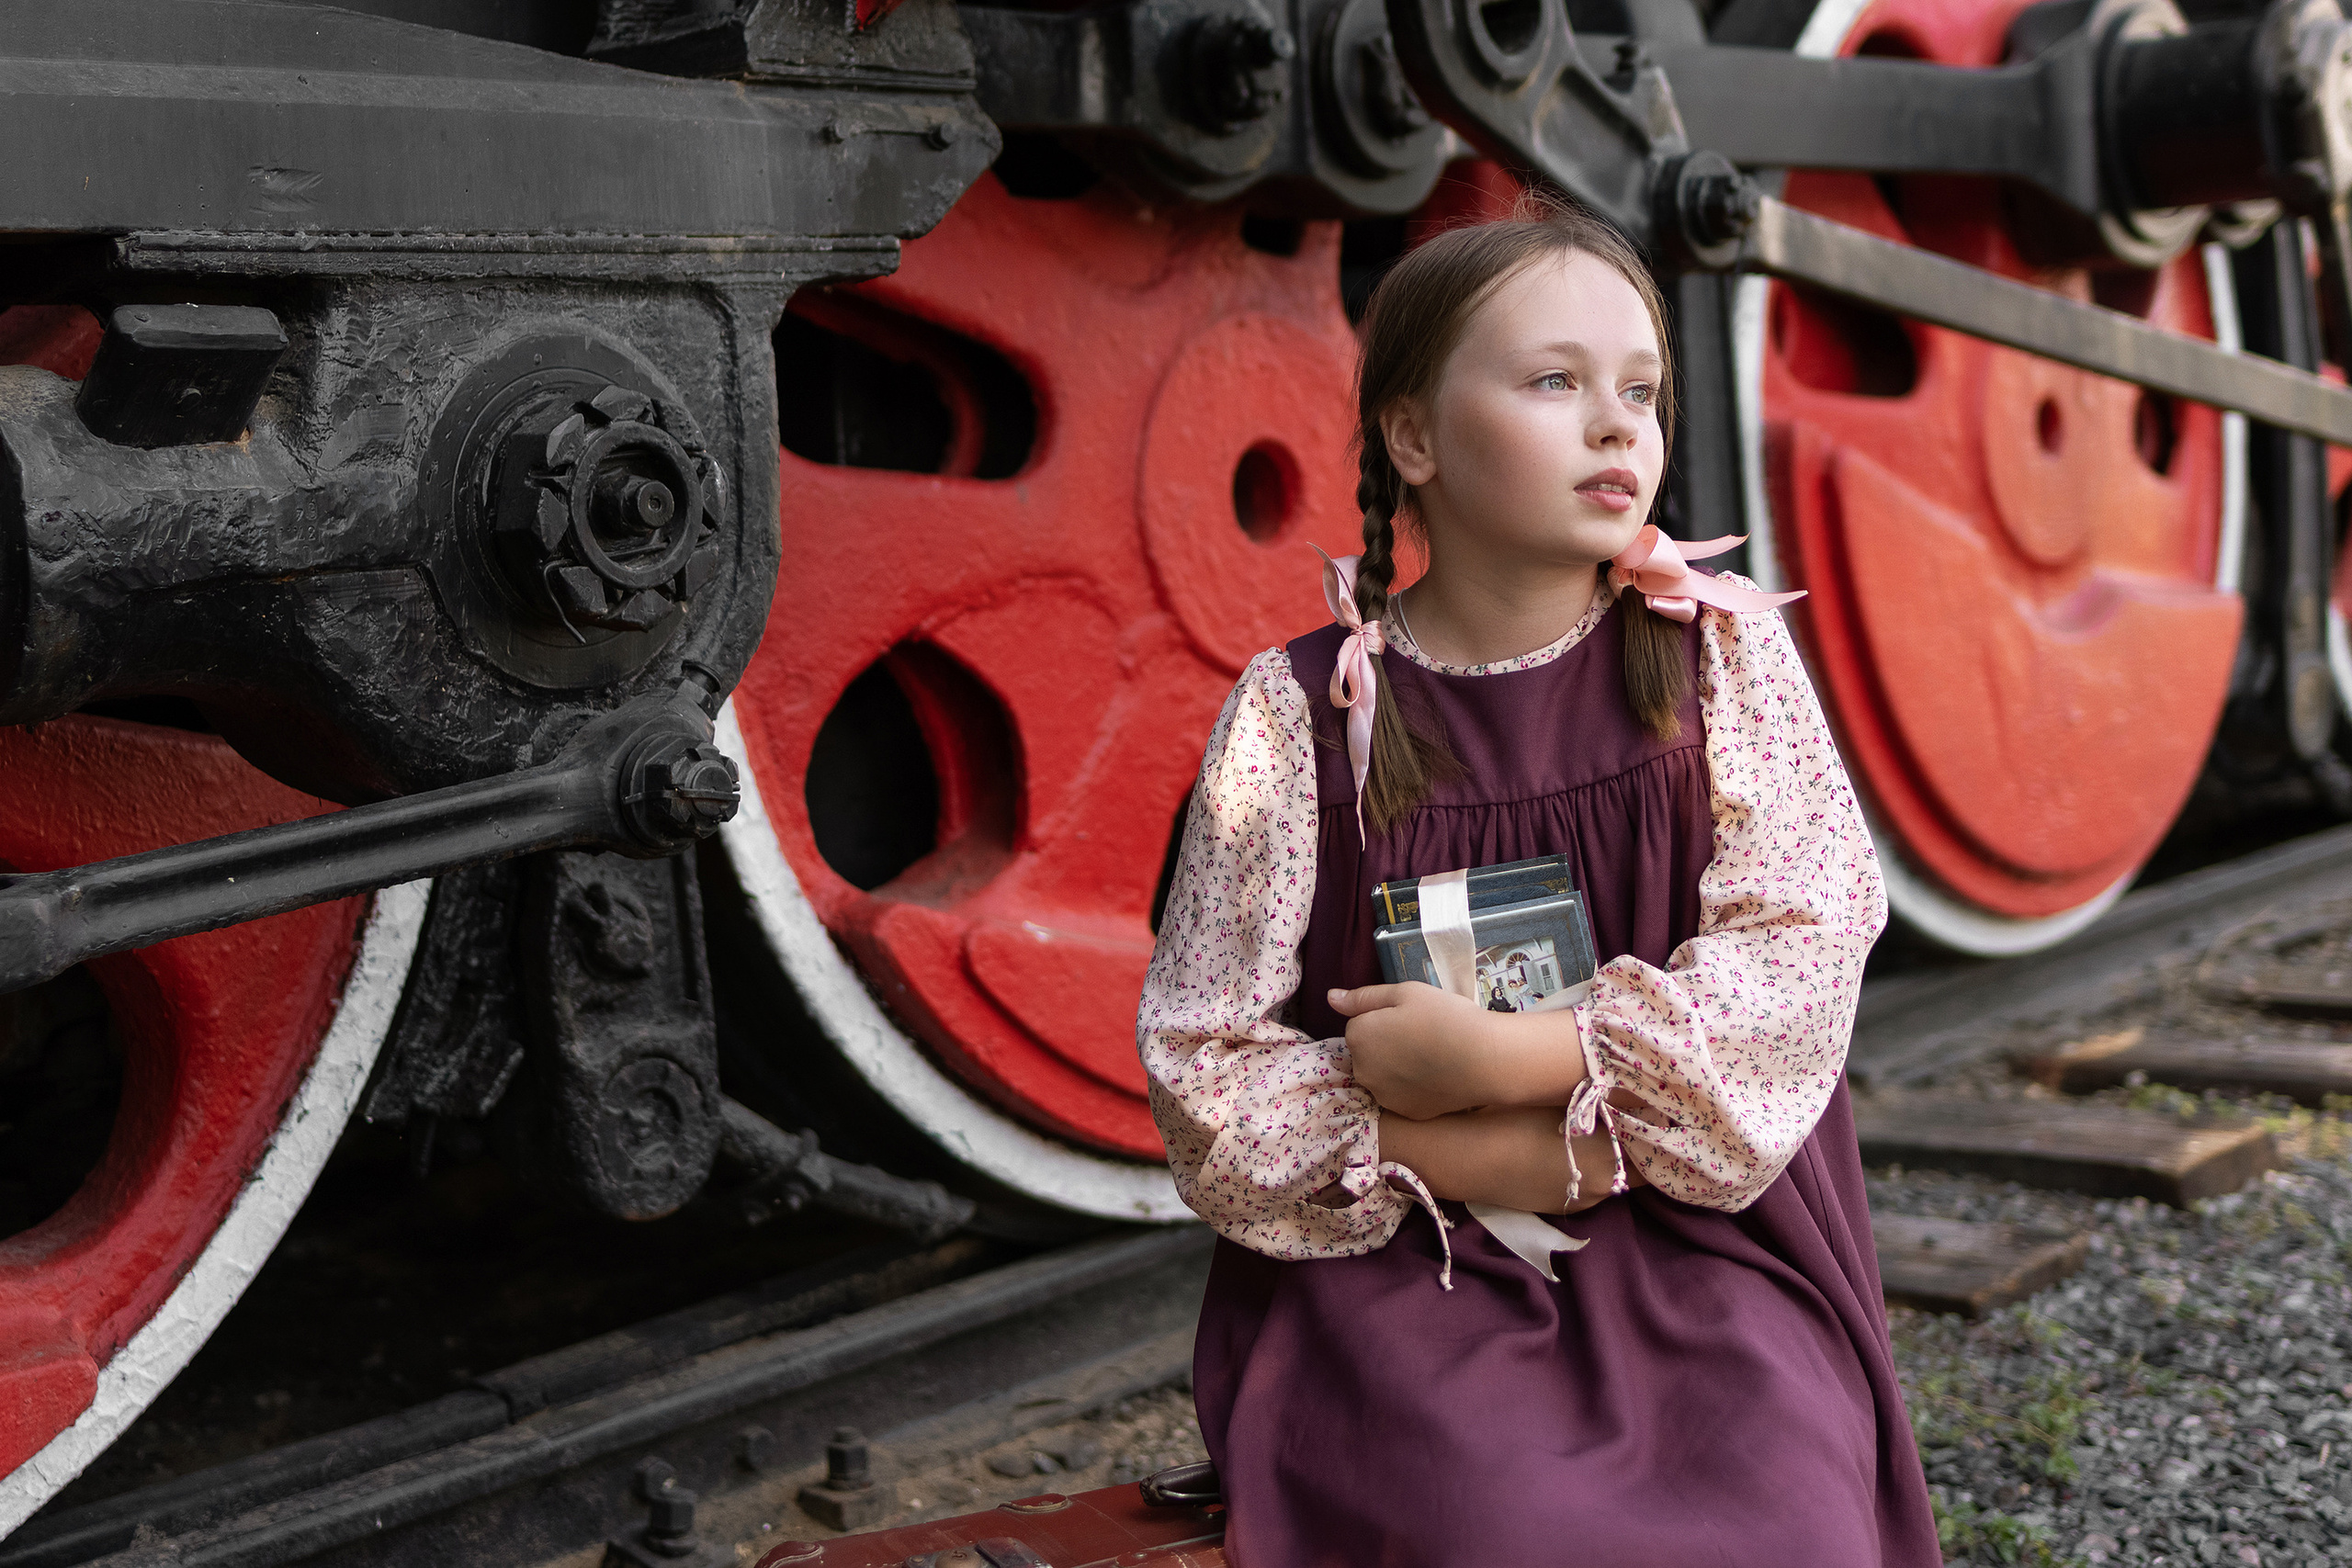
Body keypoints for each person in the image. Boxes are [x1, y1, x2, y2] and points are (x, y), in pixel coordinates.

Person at [1136, 199, 1939, 1566]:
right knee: (1501, 1522)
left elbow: (1803, 948)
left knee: (1776, 1505)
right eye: (1555, 382)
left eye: (1641, 389)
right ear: (1413, 438)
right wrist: (1448, 1146)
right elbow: (1201, 1056)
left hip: (1704, 1236)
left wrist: (1524, 1059)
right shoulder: (1296, 720)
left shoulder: (1718, 665)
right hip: (1407, 1257)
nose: (1618, 423)